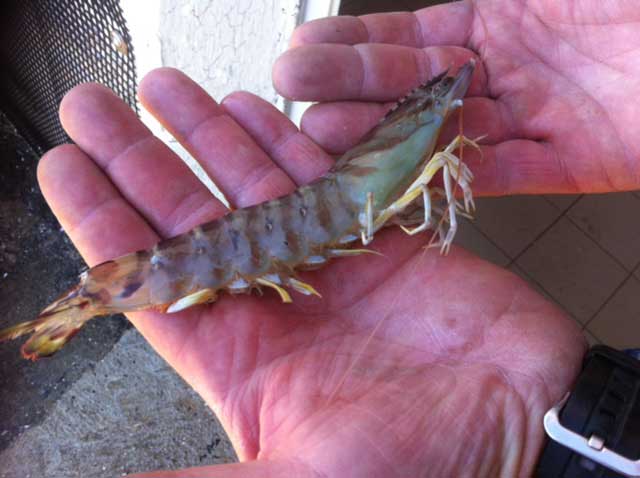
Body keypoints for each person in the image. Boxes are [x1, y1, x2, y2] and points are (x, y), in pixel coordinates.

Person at [37, 1, 638, 476]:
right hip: (258, 240)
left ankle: (96, 295)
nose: (439, 104)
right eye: (425, 105)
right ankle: (96, 295)